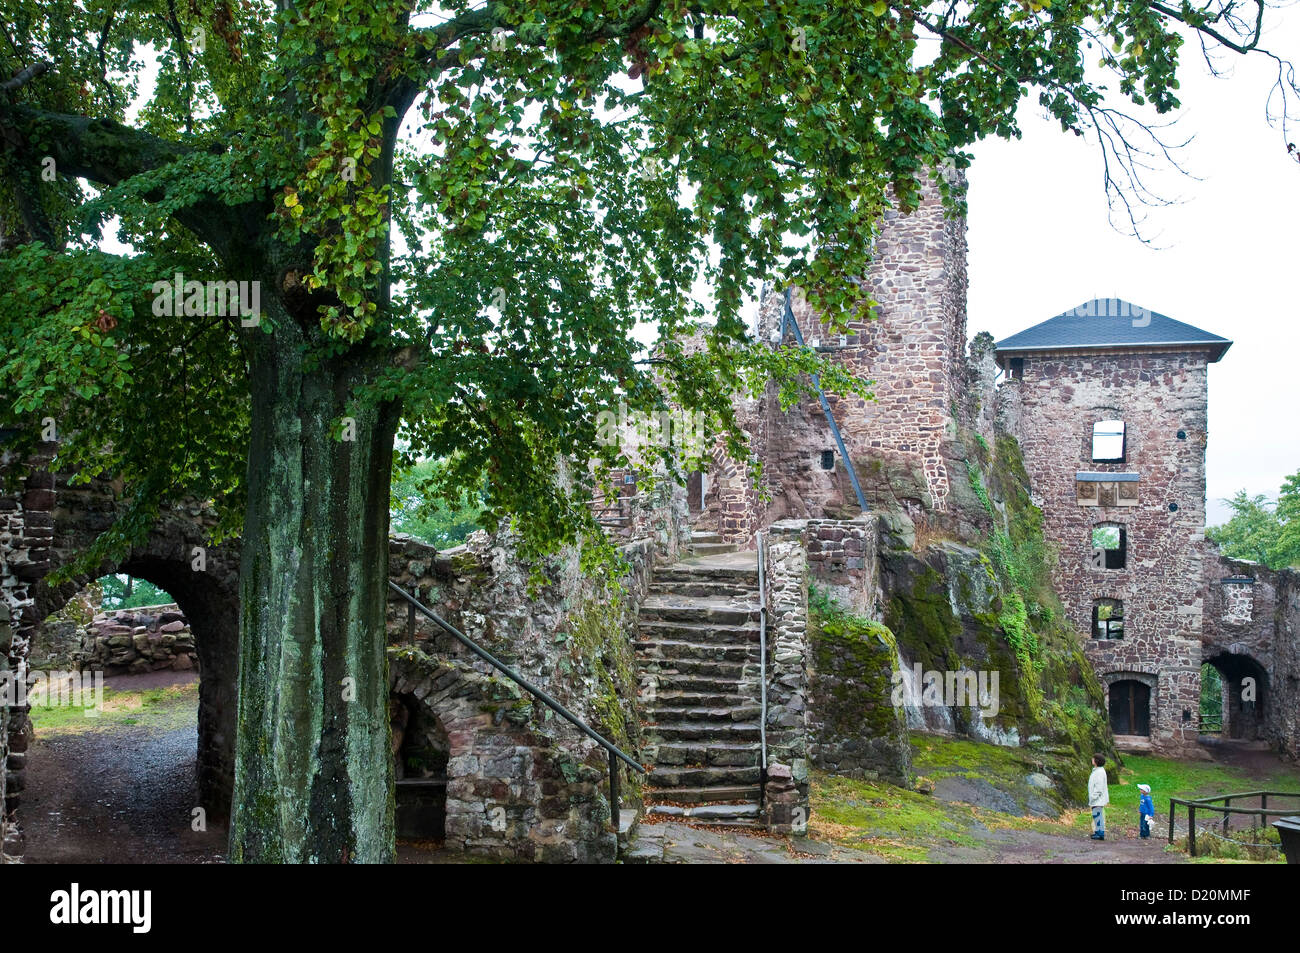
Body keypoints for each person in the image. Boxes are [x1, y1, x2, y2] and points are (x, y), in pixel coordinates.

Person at [1088, 754, 1109, 840]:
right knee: (1096, 815)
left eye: (1093, 758)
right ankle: (1097, 832)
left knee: (1098, 815)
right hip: (1096, 799)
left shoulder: (1099, 772)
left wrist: (1093, 796)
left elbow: (1099, 787)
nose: (1092, 759)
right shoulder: (1097, 770)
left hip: (1098, 799)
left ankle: (1100, 833)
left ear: (1096, 761)